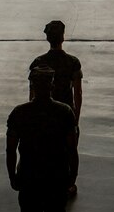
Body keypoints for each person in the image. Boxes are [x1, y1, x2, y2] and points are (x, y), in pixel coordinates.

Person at [6, 66, 78, 212]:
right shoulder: (64, 112)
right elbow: (72, 148)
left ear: (32, 87)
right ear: (52, 86)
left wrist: (12, 175)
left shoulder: (19, 113)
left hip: (29, 175)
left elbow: (10, 149)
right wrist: (73, 175)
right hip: (56, 175)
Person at [29, 20, 82, 196]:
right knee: (67, 151)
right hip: (65, 114)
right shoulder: (72, 62)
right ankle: (68, 183)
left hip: (42, 113)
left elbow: (32, 94)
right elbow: (78, 93)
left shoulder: (38, 62)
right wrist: (76, 117)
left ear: (47, 38)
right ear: (63, 37)